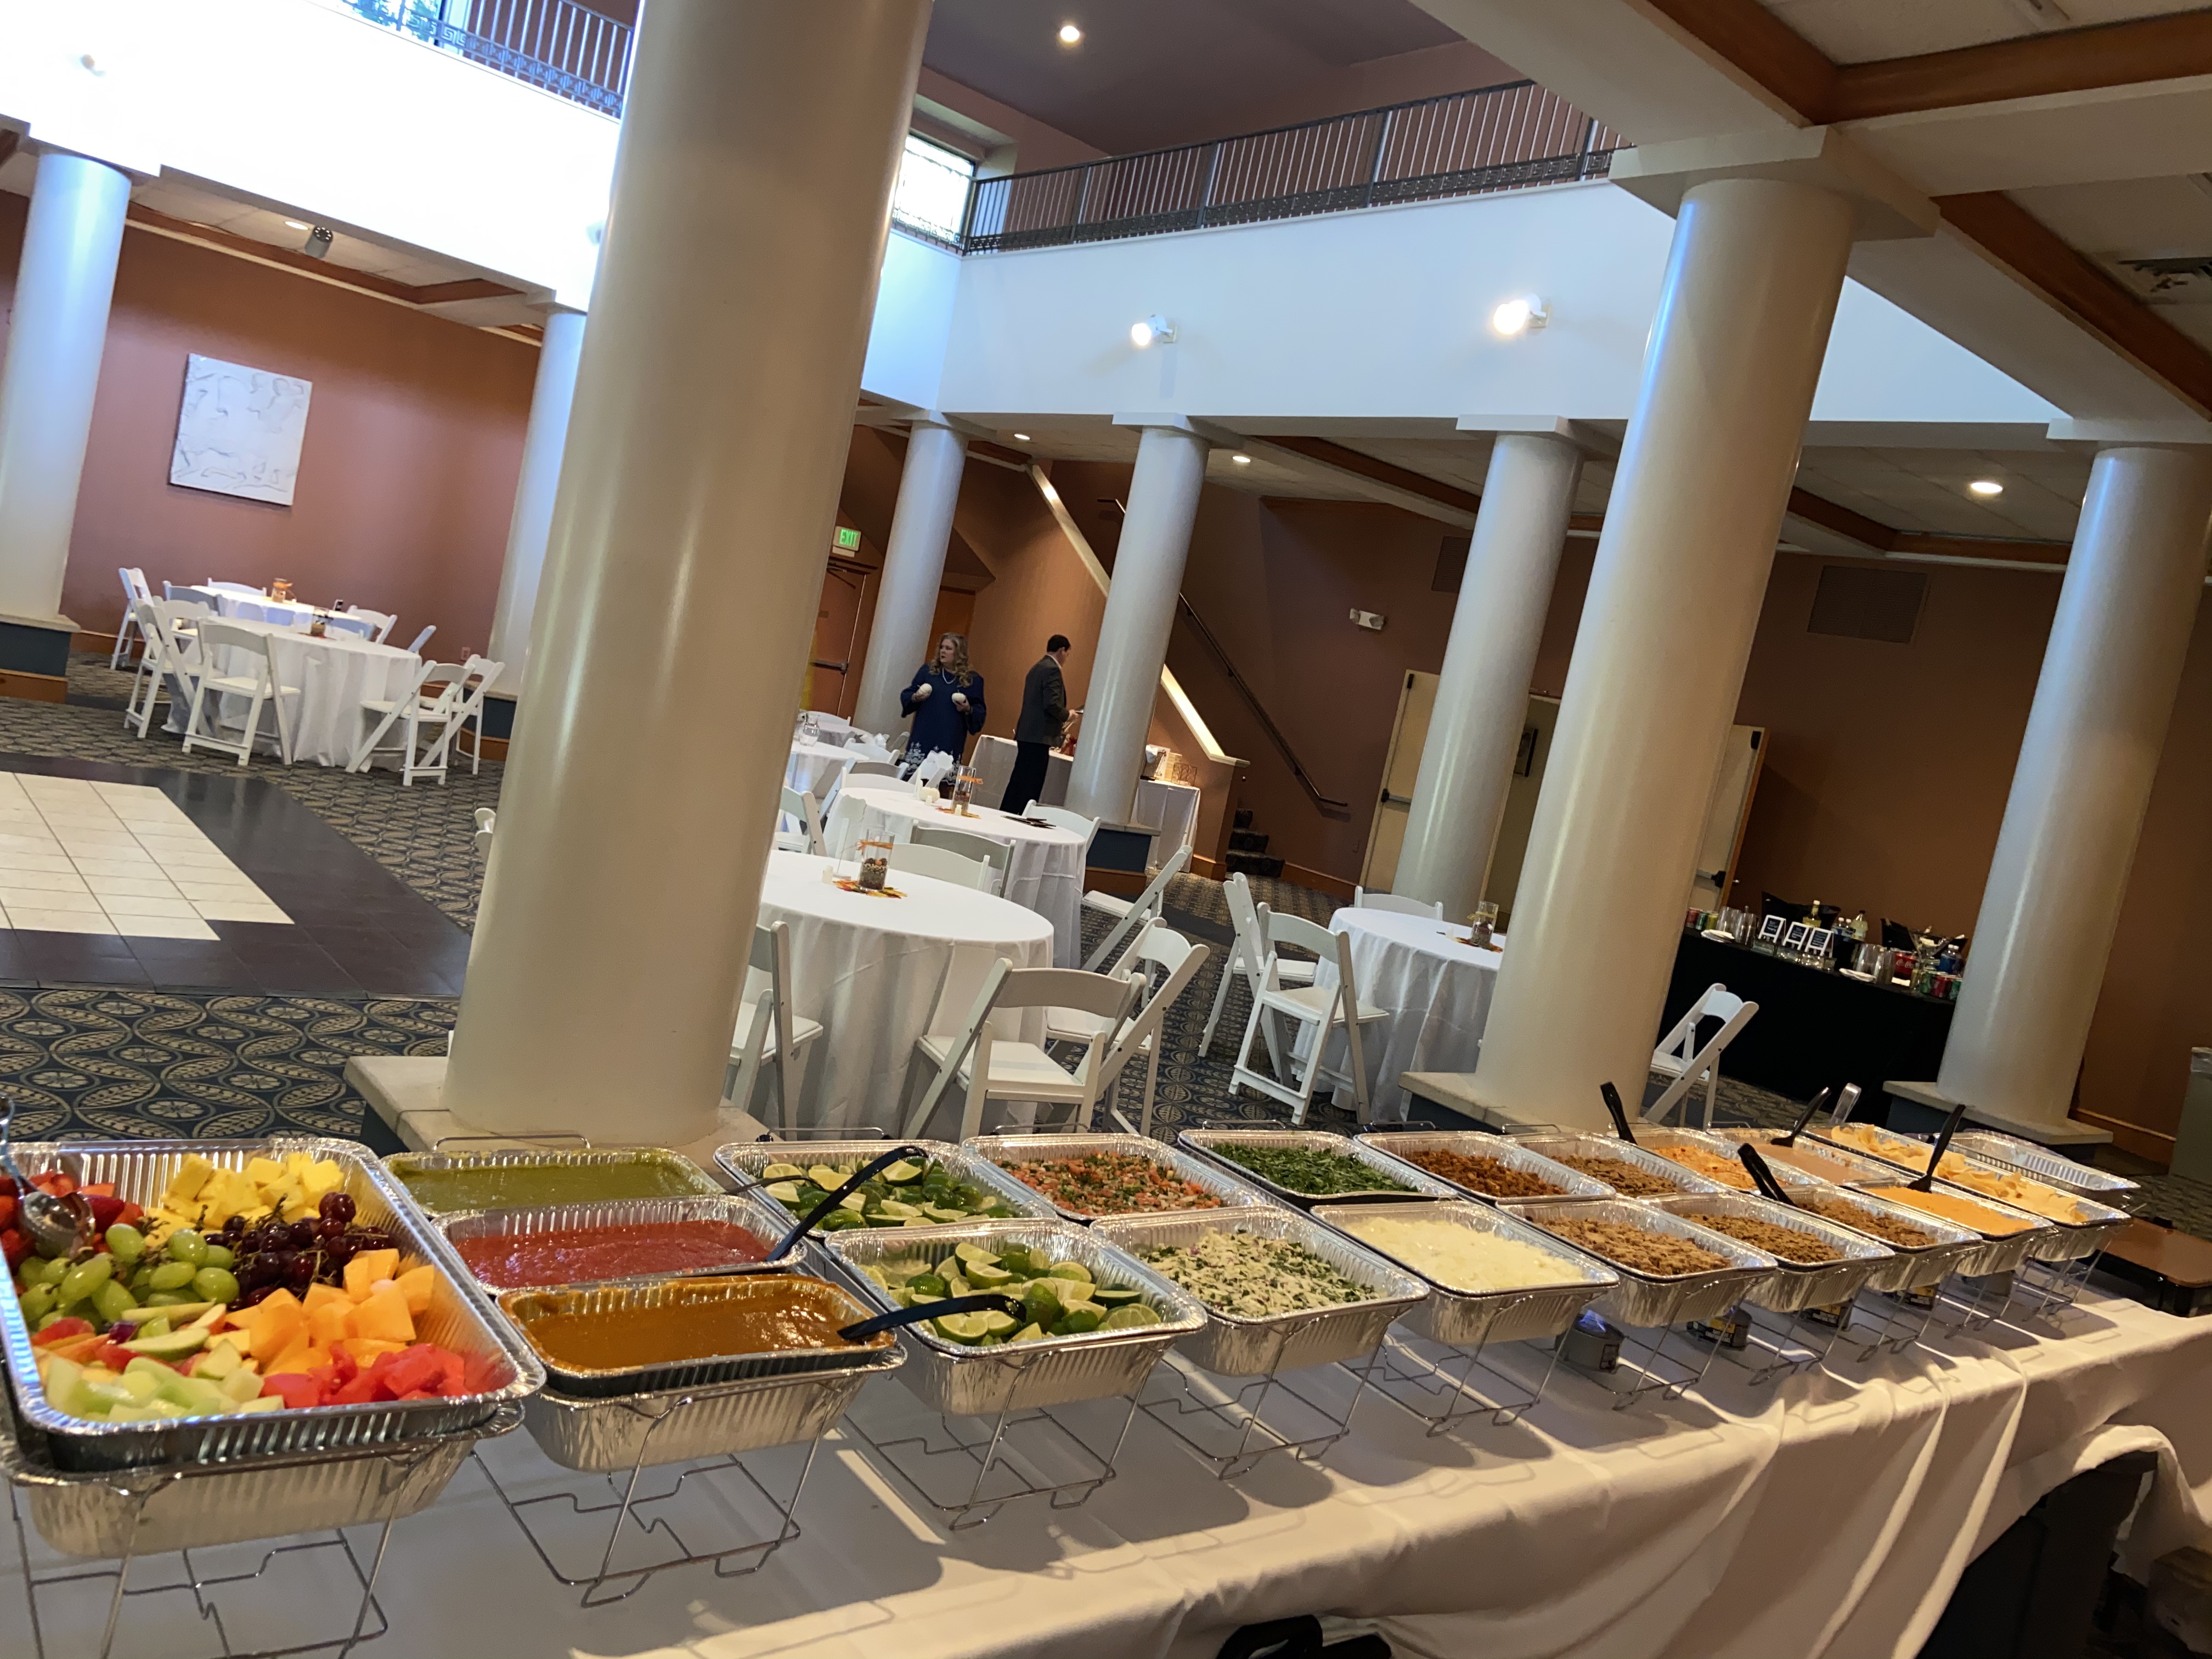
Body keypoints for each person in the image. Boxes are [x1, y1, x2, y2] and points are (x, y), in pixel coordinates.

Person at [1002, 634, 1070, 812]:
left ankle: (1007, 813)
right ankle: (1024, 817)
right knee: (1032, 783)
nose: (1066, 659)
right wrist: (1067, 715)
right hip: (1040, 736)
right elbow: (1052, 703)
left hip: (1027, 733)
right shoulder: (1052, 670)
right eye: (1067, 654)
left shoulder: (1036, 668)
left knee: (1018, 780)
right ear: (1062, 651)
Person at [899, 632, 985, 764]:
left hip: (949, 738)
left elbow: (979, 712)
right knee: (914, 779)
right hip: (923, 735)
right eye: (942, 647)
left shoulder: (972, 680)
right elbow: (907, 694)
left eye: (948, 649)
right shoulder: (928, 672)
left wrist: (968, 709)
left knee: (940, 780)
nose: (943, 651)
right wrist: (916, 697)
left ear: (959, 653)